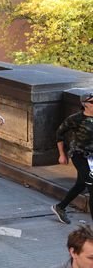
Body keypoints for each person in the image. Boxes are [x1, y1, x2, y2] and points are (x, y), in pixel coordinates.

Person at [51, 92, 93, 225]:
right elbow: (59, 133)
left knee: (81, 185)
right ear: (84, 104)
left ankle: (60, 207)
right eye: (92, 102)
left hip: (92, 157)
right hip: (79, 155)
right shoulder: (76, 119)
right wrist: (62, 154)